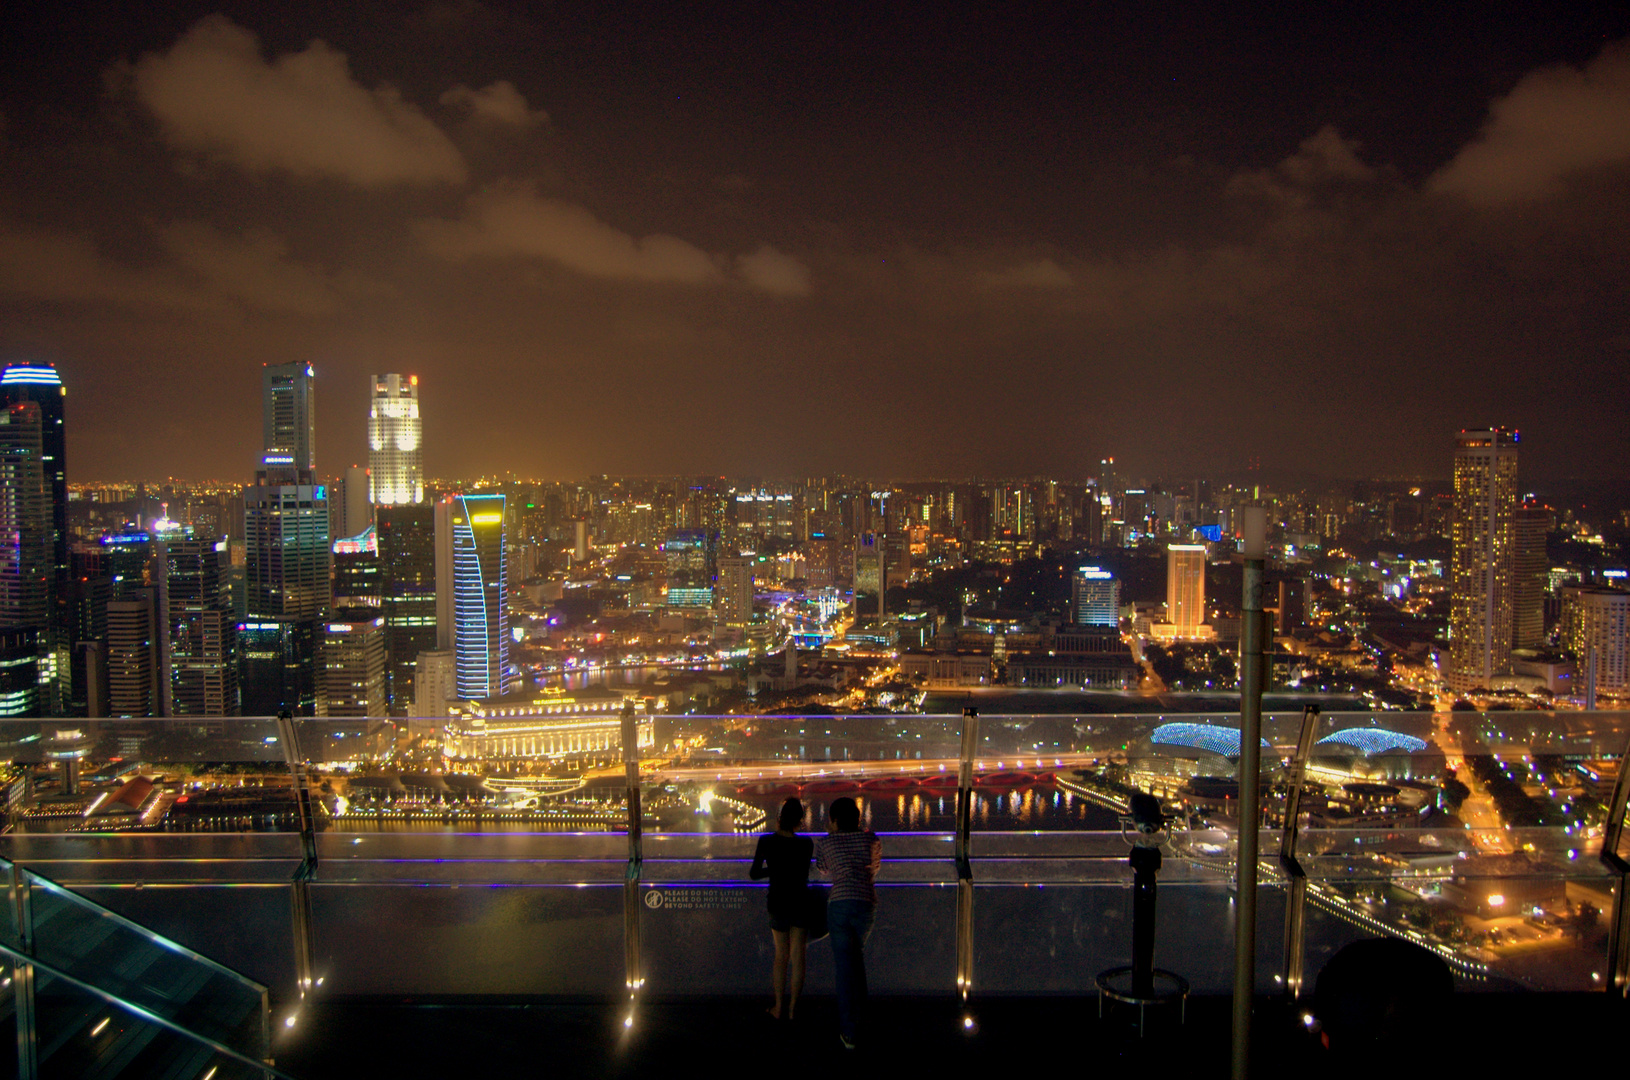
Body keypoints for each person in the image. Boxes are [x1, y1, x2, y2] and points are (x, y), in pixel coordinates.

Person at [813, 796, 881, 1050]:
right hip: (866, 904)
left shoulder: (827, 842)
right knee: (856, 961)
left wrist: (832, 835)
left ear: (833, 820)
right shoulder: (871, 839)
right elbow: (874, 869)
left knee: (844, 969)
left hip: (840, 905)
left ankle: (850, 1032)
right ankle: (861, 1020)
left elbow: (822, 869)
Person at [749, 798, 814, 1020]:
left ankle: (778, 1007)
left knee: (780, 956)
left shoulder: (766, 841)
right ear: (800, 821)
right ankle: (793, 1009)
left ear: (780, 818)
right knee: (798, 956)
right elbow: (803, 873)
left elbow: (754, 873)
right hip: (800, 901)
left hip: (777, 901)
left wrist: (775, 871)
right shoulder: (807, 844)